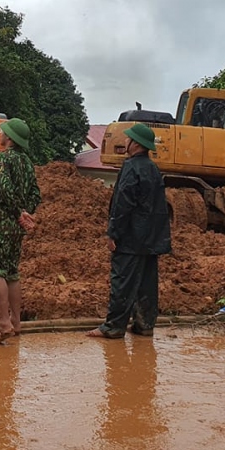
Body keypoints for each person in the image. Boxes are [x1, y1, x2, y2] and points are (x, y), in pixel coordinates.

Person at [87, 122, 171, 339]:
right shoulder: (153, 169)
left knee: (122, 281)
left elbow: (123, 203)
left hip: (131, 237)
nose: (125, 140)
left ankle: (114, 327)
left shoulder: (131, 167)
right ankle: (144, 325)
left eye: (128, 138)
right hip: (151, 238)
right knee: (146, 284)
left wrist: (114, 232)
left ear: (135, 144)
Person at [0, 117, 41, 346]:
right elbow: (36, 193)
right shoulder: (26, 162)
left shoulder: (3, 158)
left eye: (3, 132)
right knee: (12, 272)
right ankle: (16, 322)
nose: (1, 134)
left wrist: (18, 212)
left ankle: (4, 324)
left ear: (9, 138)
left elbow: (5, 188)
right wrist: (27, 213)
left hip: (0, 224)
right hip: (17, 229)